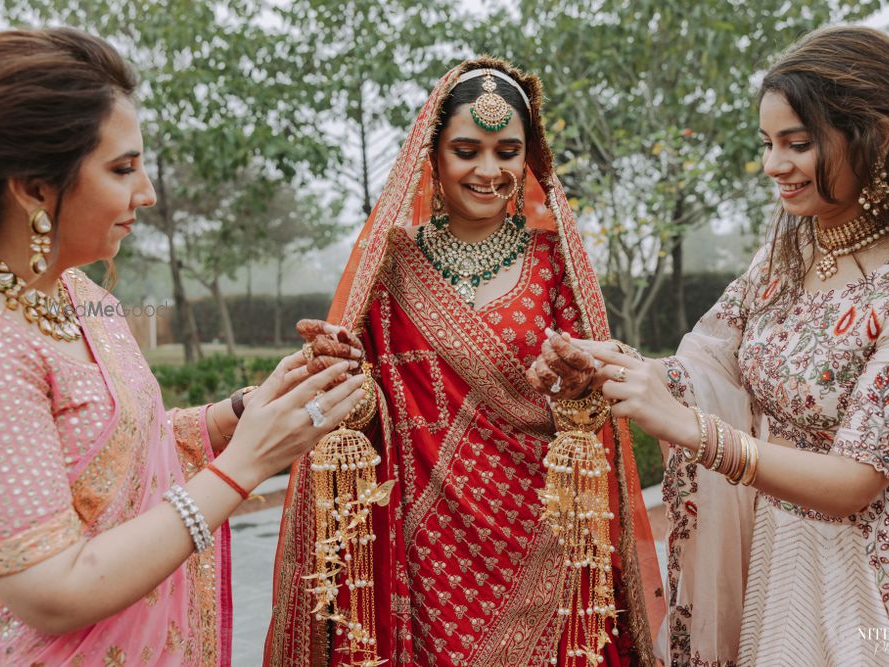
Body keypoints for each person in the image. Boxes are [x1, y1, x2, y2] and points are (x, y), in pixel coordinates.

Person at [530, 26, 889, 666]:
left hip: (878, 582)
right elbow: (707, 367)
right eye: (768, 143)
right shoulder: (786, 257)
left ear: (879, 135)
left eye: (798, 143)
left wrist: (696, 432)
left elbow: (854, 482)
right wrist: (606, 368)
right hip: (774, 559)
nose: (772, 166)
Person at [0, 28, 365, 665]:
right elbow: (50, 590)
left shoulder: (79, 294)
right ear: (34, 187)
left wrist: (246, 411)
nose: (147, 193)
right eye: (123, 169)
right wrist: (247, 464)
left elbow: (129, 437)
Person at [264, 58, 665, 666]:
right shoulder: (391, 264)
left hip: (543, 528)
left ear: (528, 159)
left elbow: (592, 403)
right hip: (425, 536)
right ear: (434, 154)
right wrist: (346, 371)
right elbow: (368, 406)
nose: (488, 170)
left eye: (507, 151)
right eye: (466, 150)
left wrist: (578, 387)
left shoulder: (555, 262)